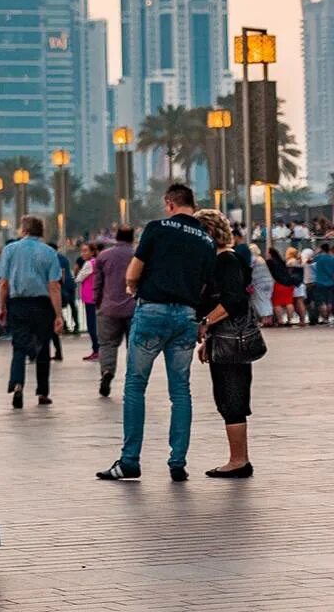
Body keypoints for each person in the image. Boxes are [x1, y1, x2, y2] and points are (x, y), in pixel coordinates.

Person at [97, 184, 214, 482]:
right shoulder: (205, 238)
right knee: (180, 391)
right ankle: (177, 462)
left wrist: (132, 288)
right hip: (186, 315)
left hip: (152, 311)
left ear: (170, 203)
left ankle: (130, 461)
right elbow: (205, 285)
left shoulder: (157, 227)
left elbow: (134, 271)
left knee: (136, 386)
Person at [192, 210, 256, 479]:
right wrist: (208, 337)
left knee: (232, 397)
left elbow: (233, 300)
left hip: (232, 339)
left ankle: (238, 460)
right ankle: (238, 458)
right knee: (228, 396)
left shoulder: (227, 260)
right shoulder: (222, 260)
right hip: (224, 338)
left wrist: (205, 323)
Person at [0, 216, 65, 407]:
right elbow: (54, 286)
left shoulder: (10, 250)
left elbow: (3, 283)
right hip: (42, 305)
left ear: (23, 230)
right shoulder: (50, 252)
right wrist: (58, 315)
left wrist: (1, 307)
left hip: (18, 304)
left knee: (18, 345)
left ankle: (17, 383)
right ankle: (42, 392)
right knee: (43, 346)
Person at [93, 226, 138, 396]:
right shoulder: (138, 256)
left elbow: (97, 284)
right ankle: (133, 378)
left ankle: (107, 371)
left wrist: (98, 302)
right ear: (132, 238)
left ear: (116, 237)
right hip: (133, 308)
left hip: (108, 308)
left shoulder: (104, 256)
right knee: (133, 345)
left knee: (107, 344)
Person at [78, 248, 100, 360]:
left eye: (85, 251)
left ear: (92, 252)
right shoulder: (98, 262)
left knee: (91, 325)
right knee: (96, 324)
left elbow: (79, 278)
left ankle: (96, 349)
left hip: (89, 297)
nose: (83, 253)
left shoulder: (89, 264)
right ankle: (97, 349)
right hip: (96, 297)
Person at [308, 242, 334, 323]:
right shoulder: (332, 258)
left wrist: (316, 252)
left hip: (319, 282)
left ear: (321, 249)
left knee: (321, 301)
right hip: (330, 282)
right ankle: (327, 318)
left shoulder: (318, 257)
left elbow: (309, 261)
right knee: (329, 301)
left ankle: (324, 318)